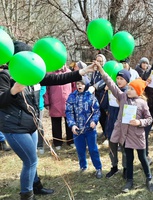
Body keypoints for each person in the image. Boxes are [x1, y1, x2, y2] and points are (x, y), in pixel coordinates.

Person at [0, 41, 94, 199]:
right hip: (14, 127)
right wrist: (14, 90)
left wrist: (83, 71)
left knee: (32, 159)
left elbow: (59, 79)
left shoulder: (33, 73)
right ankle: (27, 195)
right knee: (30, 160)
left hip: (31, 125)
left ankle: (36, 186)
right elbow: (1, 101)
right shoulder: (5, 76)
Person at [95, 61, 153, 193]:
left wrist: (139, 123)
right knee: (129, 158)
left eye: (132, 89)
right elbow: (111, 84)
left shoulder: (142, 103)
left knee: (142, 158)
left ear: (138, 91)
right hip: (125, 135)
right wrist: (102, 71)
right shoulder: (122, 97)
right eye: (129, 88)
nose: (128, 90)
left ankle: (149, 177)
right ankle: (129, 180)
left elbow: (149, 119)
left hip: (138, 136)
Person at [65, 79, 103, 179]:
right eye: (77, 84)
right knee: (80, 149)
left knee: (93, 149)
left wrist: (94, 121)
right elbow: (69, 112)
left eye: (81, 84)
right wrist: (72, 125)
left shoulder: (91, 96)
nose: (79, 86)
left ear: (85, 85)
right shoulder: (72, 97)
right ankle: (83, 166)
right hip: (77, 130)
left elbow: (96, 111)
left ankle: (98, 168)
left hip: (90, 130)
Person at [105, 69, 130, 179]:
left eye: (122, 79)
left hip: (123, 125)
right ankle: (114, 166)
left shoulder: (128, 93)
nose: (119, 81)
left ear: (127, 81)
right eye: (118, 78)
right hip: (111, 122)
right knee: (112, 147)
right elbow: (105, 105)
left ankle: (126, 168)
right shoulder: (111, 90)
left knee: (124, 148)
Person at [44, 65, 74, 150]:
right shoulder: (50, 73)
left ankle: (71, 141)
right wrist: (46, 102)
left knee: (69, 122)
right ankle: (57, 142)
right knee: (56, 123)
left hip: (68, 102)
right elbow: (46, 89)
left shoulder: (69, 72)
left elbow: (74, 86)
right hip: (55, 103)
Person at [89, 54, 108, 138]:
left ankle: (108, 135)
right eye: (97, 61)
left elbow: (104, 81)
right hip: (96, 97)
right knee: (99, 116)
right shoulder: (94, 72)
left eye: (100, 61)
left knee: (106, 117)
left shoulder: (105, 71)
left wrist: (94, 86)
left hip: (104, 97)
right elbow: (91, 82)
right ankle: (104, 132)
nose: (98, 63)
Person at [37, 86, 46, 154]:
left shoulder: (39, 79)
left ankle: (40, 145)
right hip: (26, 106)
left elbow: (43, 90)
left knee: (39, 125)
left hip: (39, 106)